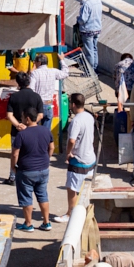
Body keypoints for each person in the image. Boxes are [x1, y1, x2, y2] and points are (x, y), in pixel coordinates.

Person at [54, 93, 95, 222]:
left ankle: (70, 214)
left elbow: (72, 140)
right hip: (90, 157)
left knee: (72, 189)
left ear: (72, 105)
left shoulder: (76, 121)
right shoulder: (89, 116)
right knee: (85, 188)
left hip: (79, 159)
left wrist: (68, 153)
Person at [11, 108, 54, 232]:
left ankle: (28, 224)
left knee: (26, 197)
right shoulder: (46, 131)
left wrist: (13, 167)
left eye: (23, 118)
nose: (22, 120)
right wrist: (46, 158)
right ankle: (46, 222)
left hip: (26, 171)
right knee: (43, 195)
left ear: (28, 119)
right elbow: (51, 147)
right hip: (43, 169)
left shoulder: (22, 134)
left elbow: (15, 154)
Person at [5, 71, 43, 183]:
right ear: (29, 82)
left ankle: (13, 177)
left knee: (15, 153)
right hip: (34, 131)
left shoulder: (14, 97)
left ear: (18, 83)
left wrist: (18, 125)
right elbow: (40, 114)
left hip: (17, 131)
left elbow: (9, 115)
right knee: (32, 152)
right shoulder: (36, 96)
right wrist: (31, 124)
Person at [27, 52, 71, 127]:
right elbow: (66, 73)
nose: (35, 64)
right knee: (46, 133)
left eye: (35, 62)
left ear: (39, 62)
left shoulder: (35, 73)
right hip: (49, 105)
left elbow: (31, 90)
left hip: (37, 106)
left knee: (33, 129)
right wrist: (62, 60)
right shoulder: (53, 71)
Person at [77, 0, 103, 72]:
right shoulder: (99, 1)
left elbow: (83, 19)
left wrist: (78, 19)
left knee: (89, 52)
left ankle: (90, 71)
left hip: (87, 30)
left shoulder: (87, 4)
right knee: (95, 49)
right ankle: (95, 69)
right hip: (97, 29)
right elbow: (89, 4)